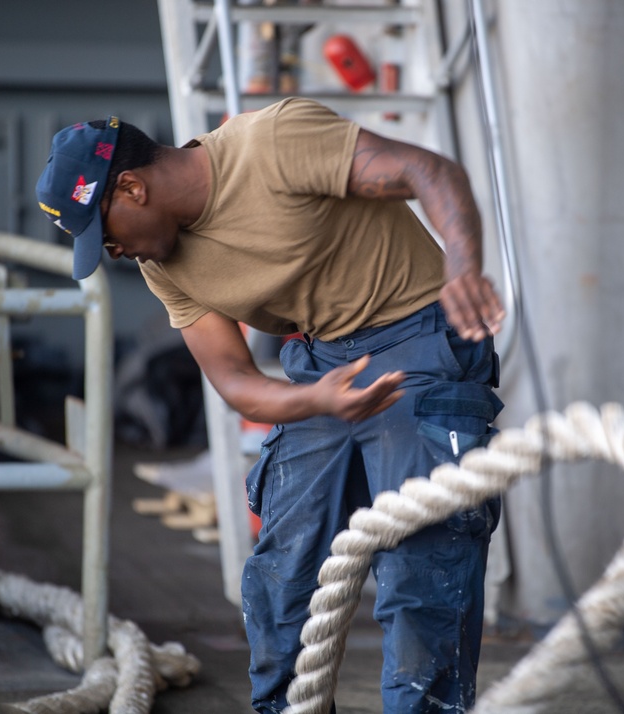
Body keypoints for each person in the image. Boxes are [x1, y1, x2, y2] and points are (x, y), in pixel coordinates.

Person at [35, 97, 505, 713]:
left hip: (421, 338)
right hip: (319, 367)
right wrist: (312, 398)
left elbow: (431, 172)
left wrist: (464, 270)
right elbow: (232, 377)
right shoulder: (162, 264)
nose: (115, 254)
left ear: (132, 188)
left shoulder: (274, 143)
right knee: (281, 580)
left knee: (421, 577)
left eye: (107, 234)